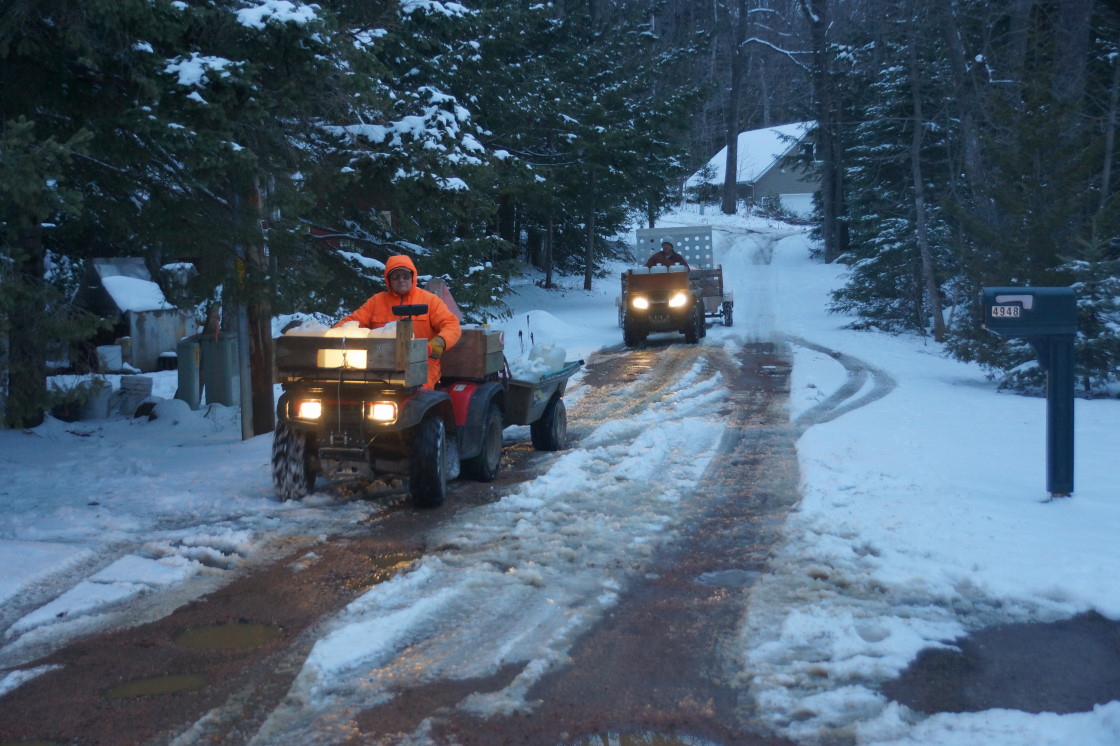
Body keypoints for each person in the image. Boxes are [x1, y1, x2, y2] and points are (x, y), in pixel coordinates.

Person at [335, 255, 462, 388]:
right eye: (395, 277)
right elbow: (351, 322)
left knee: (418, 393)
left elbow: (451, 324)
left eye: (405, 276)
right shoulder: (376, 301)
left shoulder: (430, 300)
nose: (401, 280)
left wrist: (439, 342)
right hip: (379, 362)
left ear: (412, 277)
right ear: (388, 280)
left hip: (421, 363)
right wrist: (330, 334)